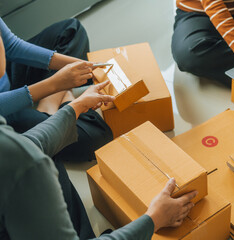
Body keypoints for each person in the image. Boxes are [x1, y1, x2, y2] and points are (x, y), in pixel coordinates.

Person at [0, 81, 197, 239]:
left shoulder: (18, 153)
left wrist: (74, 107)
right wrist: (154, 219)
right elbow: (27, 151)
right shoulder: (27, 166)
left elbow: (31, 143)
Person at [0, 17, 113, 163]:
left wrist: (84, 65)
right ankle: (57, 103)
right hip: (4, 115)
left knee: (71, 29)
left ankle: (51, 103)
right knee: (97, 136)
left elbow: (12, 46)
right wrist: (54, 84)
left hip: (7, 76)